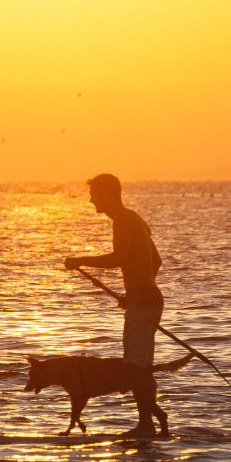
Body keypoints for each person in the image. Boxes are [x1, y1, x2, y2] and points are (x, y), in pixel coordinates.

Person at [64, 173, 166, 436]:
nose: (90, 200)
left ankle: (146, 426)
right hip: (146, 299)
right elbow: (156, 261)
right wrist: (134, 291)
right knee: (139, 366)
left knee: (134, 367)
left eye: (94, 194)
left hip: (144, 302)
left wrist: (81, 260)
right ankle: (147, 426)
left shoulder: (122, 219)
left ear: (107, 194)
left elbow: (118, 258)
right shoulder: (135, 219)